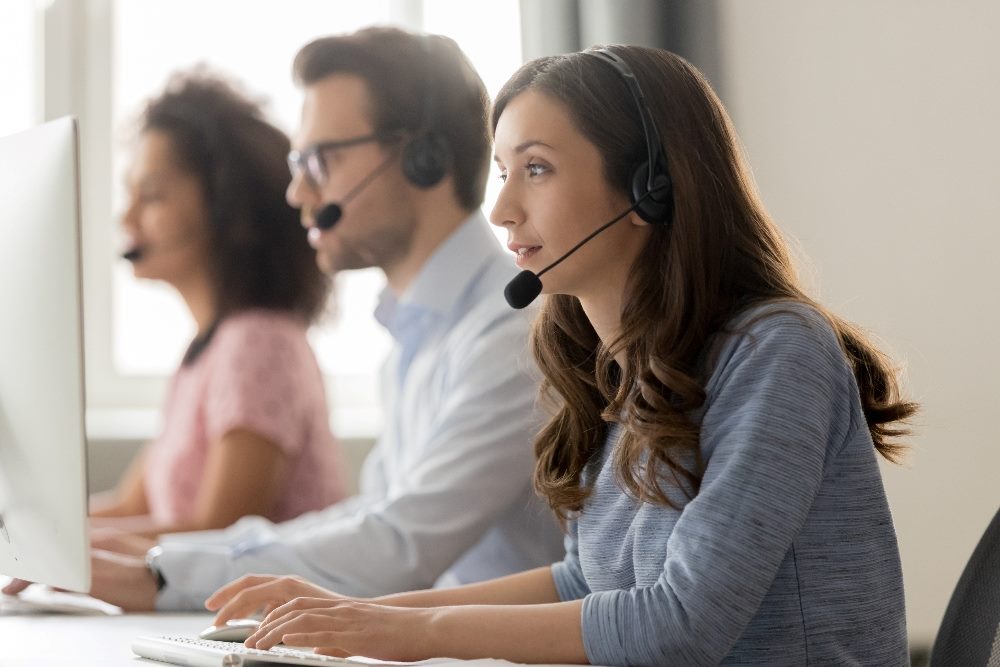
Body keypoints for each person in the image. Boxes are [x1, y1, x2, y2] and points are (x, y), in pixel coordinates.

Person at [204, 45, 918, 665]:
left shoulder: (775, 351)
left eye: (537, 169)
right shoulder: (613, 362)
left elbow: (683, 623)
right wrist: (357, 613)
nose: (502, 208)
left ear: (651, 189)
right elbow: (583, 580)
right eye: (502, 171)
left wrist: (405, 627)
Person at [4, 27, 563, 610]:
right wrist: (155, 563)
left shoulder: (511, 332)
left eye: (322, 159)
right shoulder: (417, 334)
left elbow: (400, 544)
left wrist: (165, 575)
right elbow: (371, 515)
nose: (297, 191)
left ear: (423, 159)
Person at [90, 70, 344, 539]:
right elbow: (129, 507)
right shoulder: (208, 350)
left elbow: (218, 532)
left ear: (228, 211)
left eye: (152, 195)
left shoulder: (259, 342)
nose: (126, 217)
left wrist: (72, 549)